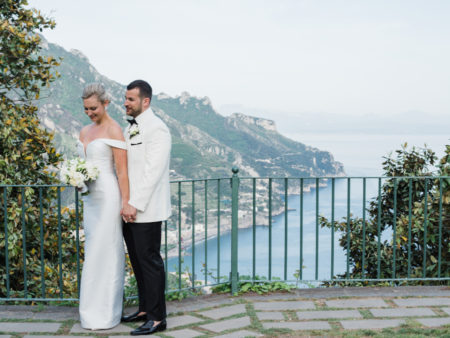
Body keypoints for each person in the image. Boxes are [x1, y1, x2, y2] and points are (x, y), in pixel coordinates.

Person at [77, 83, 135, 329]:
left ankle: (107, 313)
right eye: (86, 109)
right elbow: (81, 165)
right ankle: (90, 312)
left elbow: (122, 172)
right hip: (90, 200)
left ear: (106, 104)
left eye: (93, 108)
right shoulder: (83, 131)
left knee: (108, 251)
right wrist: (76, 178)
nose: (90, 113)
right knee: (92, 253)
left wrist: (126, 203)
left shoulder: (114, 129)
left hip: (109, 198)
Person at [120, 80, 171, 335]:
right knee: (138, 262)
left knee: (150, 263)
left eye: (130, 99)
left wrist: (134, 204)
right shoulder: (132, 128)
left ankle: (158, 318)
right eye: (126, 98)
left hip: (146, 210)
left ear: (145, 101)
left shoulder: (157, 129)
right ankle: (144, 309)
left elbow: (152, 172)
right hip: (129, 208)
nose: (126, 103)